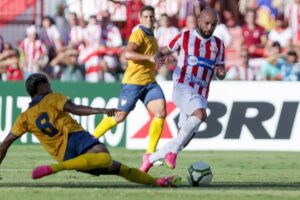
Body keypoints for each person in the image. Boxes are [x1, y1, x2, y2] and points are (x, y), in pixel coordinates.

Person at [0, 73, 180, 187]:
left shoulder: (23, 118)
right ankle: (56, 169)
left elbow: (5, 144)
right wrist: (101, 110)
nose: (50, 86)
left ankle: (157, 182)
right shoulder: (53, 98)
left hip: (64, 154)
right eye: (47, 84)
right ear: (41, 88)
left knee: (118, 168)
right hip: (75, 137)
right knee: (105, 157)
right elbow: (75, 108)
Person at [140, 8, 226, 172]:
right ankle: (171, 153)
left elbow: (220, 70)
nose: (209, 27)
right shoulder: (185, 36)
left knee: (182, 141)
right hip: (182, 87)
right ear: (199, 21)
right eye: (206, 23)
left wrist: (221, 73)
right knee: (201, 114)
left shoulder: (218, 44)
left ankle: (149, 159)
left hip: (200, 94)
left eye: (213, 25)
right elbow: (161, 51)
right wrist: (158, 60)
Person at [92, 6, 167, 168]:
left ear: (155, 19)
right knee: (119, 117)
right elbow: (127, 54)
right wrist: (150, 58)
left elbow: (152, 56)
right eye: (145, 16)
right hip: (133, 82)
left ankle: (149, 154)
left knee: (160, 112)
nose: (149, 19)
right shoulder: (138, 33)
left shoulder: (152, 35)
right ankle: (89, 140)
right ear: (140, 18)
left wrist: (161, 58)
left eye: (151, 16)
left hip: (149, 82)